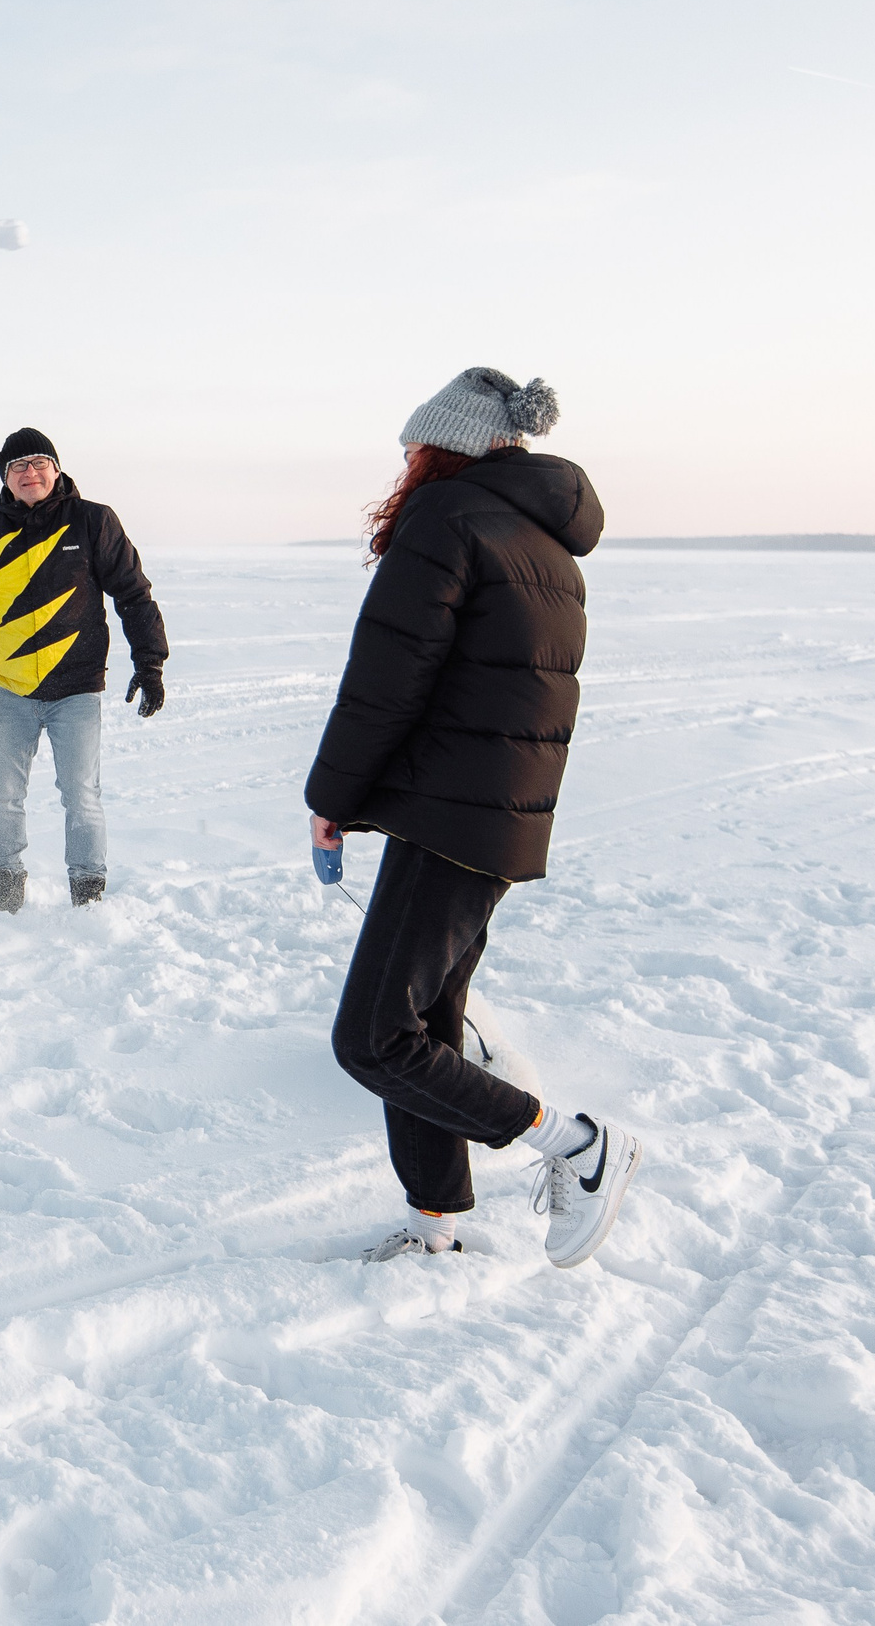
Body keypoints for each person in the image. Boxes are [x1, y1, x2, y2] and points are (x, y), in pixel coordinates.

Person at [305, 368, 638, 1268]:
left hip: (451, 815)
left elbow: (386, 680)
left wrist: (330, 800)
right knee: (427, 1023)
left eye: (416, 444)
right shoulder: (547, 545)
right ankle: (436, 1224)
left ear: (444, 447)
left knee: (374, 1038)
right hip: (492, 819)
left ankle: (576, 1143)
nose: (407, 461)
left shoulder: (448, 521)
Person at [0, 427, 168, 911]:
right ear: (5, 478)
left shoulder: (92, 522)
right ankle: (8, 890)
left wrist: (150, 662)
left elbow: (132, 593)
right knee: (4, 797)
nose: (30, 473)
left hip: (76, 690)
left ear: (56, 470)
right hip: (10, 693)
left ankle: (88, 893)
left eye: (39, 463)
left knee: (81, 796)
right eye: (18, 467)